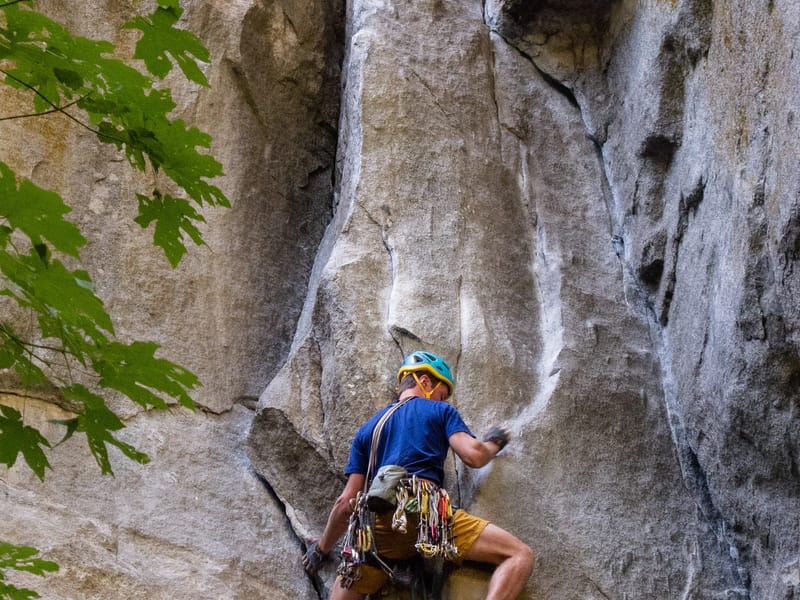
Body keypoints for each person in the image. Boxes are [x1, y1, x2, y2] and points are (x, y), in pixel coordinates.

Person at [302, 350, 534, 600]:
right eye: (442, 395)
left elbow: (346, 502)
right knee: (519, 555)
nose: (443, 401)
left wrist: (321, 549)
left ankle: (402, 563)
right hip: (427, 516)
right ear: (425, 382)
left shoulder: (367, 430)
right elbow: (473, 456)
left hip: (377, 532)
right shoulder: (439, 411)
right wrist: (493, 443)